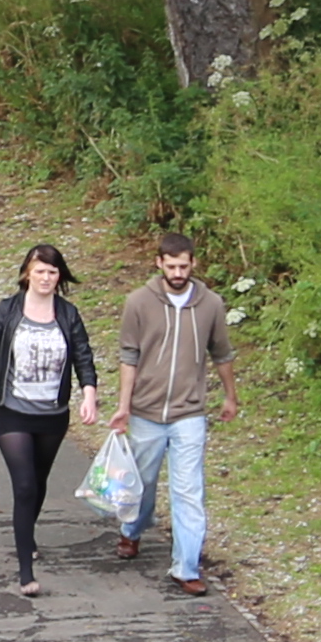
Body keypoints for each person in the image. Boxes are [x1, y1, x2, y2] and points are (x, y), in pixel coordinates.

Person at [111, 230, 235, 594]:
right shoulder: (138, 302)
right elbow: (128, 356)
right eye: (172, 266)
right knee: (143, 483)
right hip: (146, 412)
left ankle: (186, 567)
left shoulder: (211, 304)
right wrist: (123, 406)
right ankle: (131, 531)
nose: (178, 272)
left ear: (193, 264)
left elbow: (222, 354)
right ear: (159, 263)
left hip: (189, 413)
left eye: (184, 266)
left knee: (188, 491)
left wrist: (230, 396)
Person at [0, 243, 100, 589]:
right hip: (12, 412)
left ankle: (27, 535)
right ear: (27, 273)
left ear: (59, 277)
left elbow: (84, 359)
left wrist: (88, 394)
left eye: (52, 272)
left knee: (40, 480)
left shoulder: (68, 314)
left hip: (52, 415)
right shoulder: (7, 311)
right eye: (40, 271)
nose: (45, 278)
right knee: (25, 485)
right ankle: (25, 572)